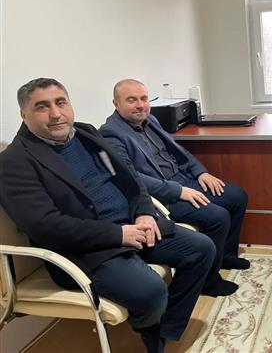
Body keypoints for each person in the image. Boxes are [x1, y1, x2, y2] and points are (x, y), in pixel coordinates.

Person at [0, 78, 216, 353]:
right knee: (151, 291)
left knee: (202, 249)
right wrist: (119, 234)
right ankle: (152, 332)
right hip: (87, 250)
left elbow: (129, 177)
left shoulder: (87, 134)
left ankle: (166, 327)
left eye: (61, 102)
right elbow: (45, 226)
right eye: (42, 107)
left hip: (134, 226)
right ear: (24, 114)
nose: (55, 114)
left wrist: (144, 212)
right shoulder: (14, 161)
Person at [99, 79, 250, 292]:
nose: (140, 105)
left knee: (237, 197)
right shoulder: (110, 134)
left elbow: (176, 151)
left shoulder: (150, 119)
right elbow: (132, 178)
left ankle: (225, 256)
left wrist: (200, 172)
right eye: (131, 100)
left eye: (143, 98)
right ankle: (208, 281)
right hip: (162, 195)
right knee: (218, 217)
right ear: (116, 104)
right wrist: (179, 191)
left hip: (183, 178)